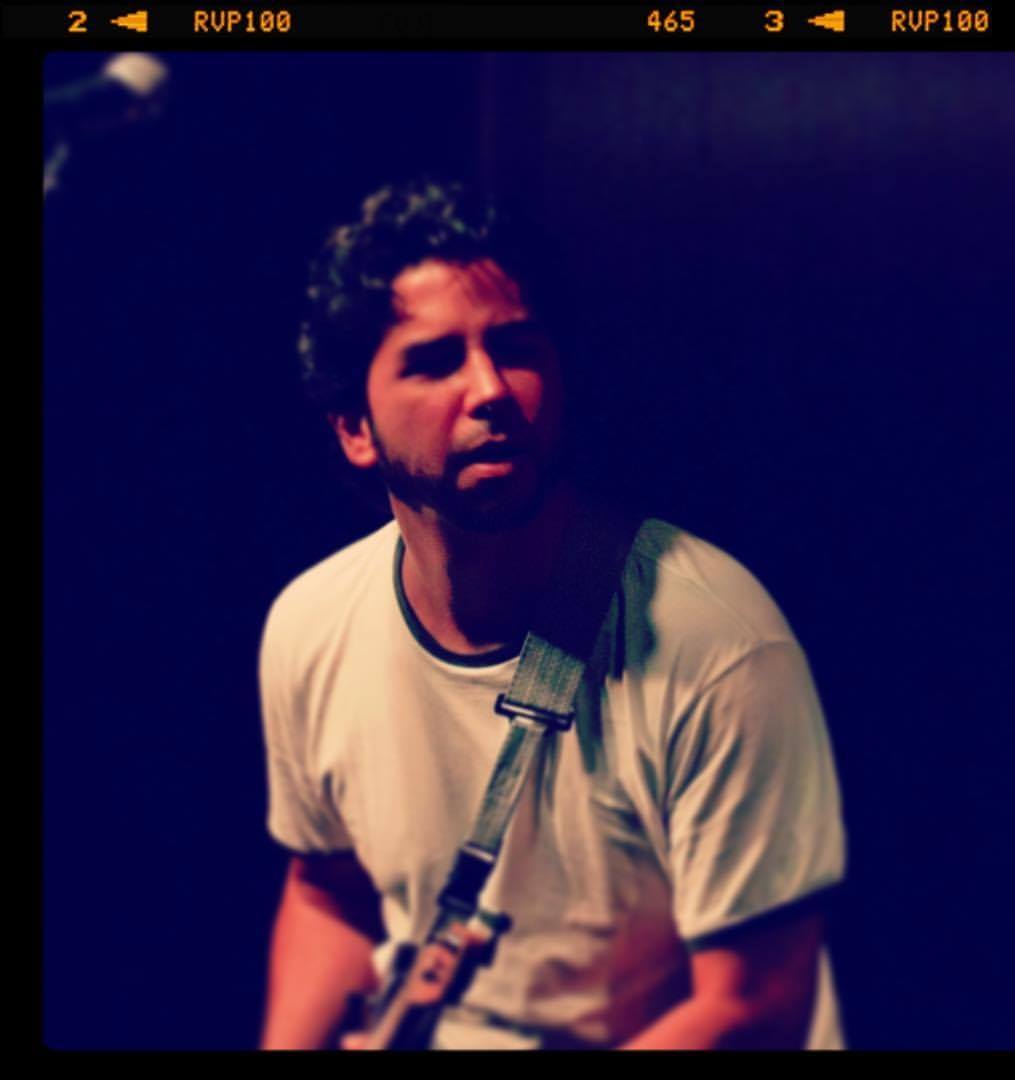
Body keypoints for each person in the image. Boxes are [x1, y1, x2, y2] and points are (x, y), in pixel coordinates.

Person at [257, 179, 847, 1051]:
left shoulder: (717, 638)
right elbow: (329, 893)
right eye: (435, 361)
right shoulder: (312, 624)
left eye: (515, 348)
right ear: (355, 428)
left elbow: (755, 1003)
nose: (491, 389)